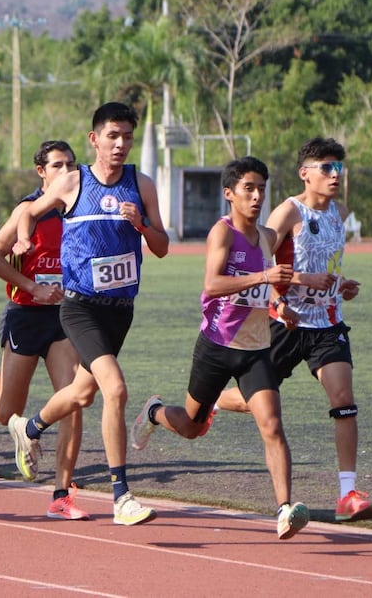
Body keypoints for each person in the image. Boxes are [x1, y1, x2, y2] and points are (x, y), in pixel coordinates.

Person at [129, 156, 309, 539]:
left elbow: (266, 285)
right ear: (229, 193)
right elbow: (212, 285)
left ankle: (284, 509)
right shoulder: (222, 233)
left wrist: (280, 305)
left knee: (272, 424)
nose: (257, 196)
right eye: (249, 188)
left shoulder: (267, 237)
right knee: (192, 427)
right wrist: (263, 276)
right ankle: (155, 412)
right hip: (216, 345)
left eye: (261, 188)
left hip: (256, 349)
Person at [9, 102, 169, 526]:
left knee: (82, 393)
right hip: (81, 307)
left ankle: (29, 428)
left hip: (121, 310)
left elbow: (162, 246)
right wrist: (23, 238)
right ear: (94, 139)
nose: (120, 144)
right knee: (115, 389)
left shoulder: (141, 184)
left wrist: (142, 225)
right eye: (112, 136)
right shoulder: (72, 182)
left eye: (127, 137)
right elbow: (28, 211)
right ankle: (121, 496)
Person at [213, 137, 372, 523]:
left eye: (338, 167)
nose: (335, 175)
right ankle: (215, 403)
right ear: (305, 173)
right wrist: (281, 297)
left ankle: (347, 494)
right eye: (327, 167)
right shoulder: (288, 212)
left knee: (344, 399)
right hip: (284, 323)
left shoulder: (339, 213)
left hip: (327, 324)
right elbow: (259, 260)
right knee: (258, 400)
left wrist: (340, 285)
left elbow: (327, 265)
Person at [0, 140, 89, 520]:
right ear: (41, 172)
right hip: (26, 316)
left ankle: (61, 495)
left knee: (73, 400)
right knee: (5, 412)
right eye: (57, 165)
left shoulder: (80, 210)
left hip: (63, 318)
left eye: (71, 165)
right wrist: (32, 286)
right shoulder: (27, 210)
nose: (66, 172)